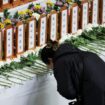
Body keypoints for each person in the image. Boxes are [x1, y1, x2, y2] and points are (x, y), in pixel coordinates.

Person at [40, 40, 105, 105]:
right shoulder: (86, 54)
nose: (49, 68)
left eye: (48, 65)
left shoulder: (60, 63)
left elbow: (69, 93)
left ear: (49, 59)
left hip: (96, 97)